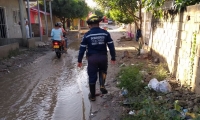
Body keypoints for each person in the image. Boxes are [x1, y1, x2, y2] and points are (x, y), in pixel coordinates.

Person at [77, 15, 116, 101]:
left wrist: (79, 60)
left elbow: (82, 49)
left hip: (92, 58)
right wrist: (113, 57)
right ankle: (102, 85)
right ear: (98, 24)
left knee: (92, 76)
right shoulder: (105, 33)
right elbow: (111, 46)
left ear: (90, 25)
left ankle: (93, 96)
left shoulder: (87, 35)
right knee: (103, 71)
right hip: (103, 57)